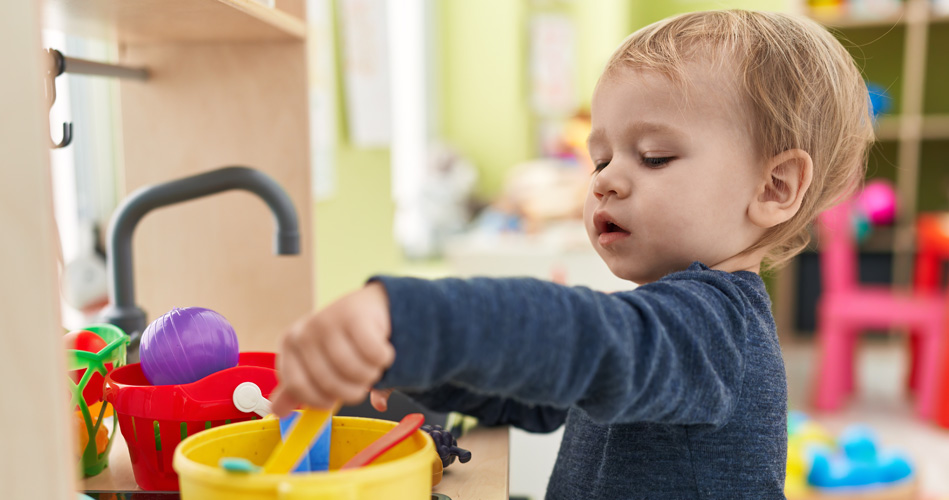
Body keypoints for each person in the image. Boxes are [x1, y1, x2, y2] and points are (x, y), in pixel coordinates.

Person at [272, 9, 873, 499]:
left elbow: (581, 339)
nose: (606, 182)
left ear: (774, 188)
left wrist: (415, 320)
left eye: (655, 156)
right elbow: (544, 395)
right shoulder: (671, 318)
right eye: (601, 158)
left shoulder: (717, 332)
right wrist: (435, 378)